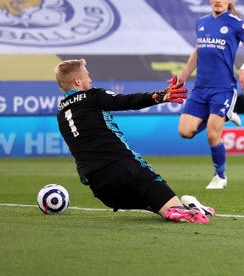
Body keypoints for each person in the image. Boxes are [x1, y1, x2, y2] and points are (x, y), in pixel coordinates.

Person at [55, 58, 215, 224]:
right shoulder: (93, 96)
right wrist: (161, 96)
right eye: (87, 75)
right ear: (77, 81)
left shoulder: (61, 115)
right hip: (124, 169)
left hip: (100, 188)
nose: (91, 79)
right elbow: (126, 101)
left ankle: (186, 206)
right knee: (176, 211)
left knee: (157, 203)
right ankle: (192, 211)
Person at [176, 0, 244, 190]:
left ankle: (220, 176)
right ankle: (226, 114)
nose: (218, 0)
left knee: (213, 135)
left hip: (223, 88)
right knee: (185, 132)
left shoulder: (236, 23)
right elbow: (197, 52)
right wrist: (182, 77)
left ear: (229, 0)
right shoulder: (202, 22)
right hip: (200, 88)